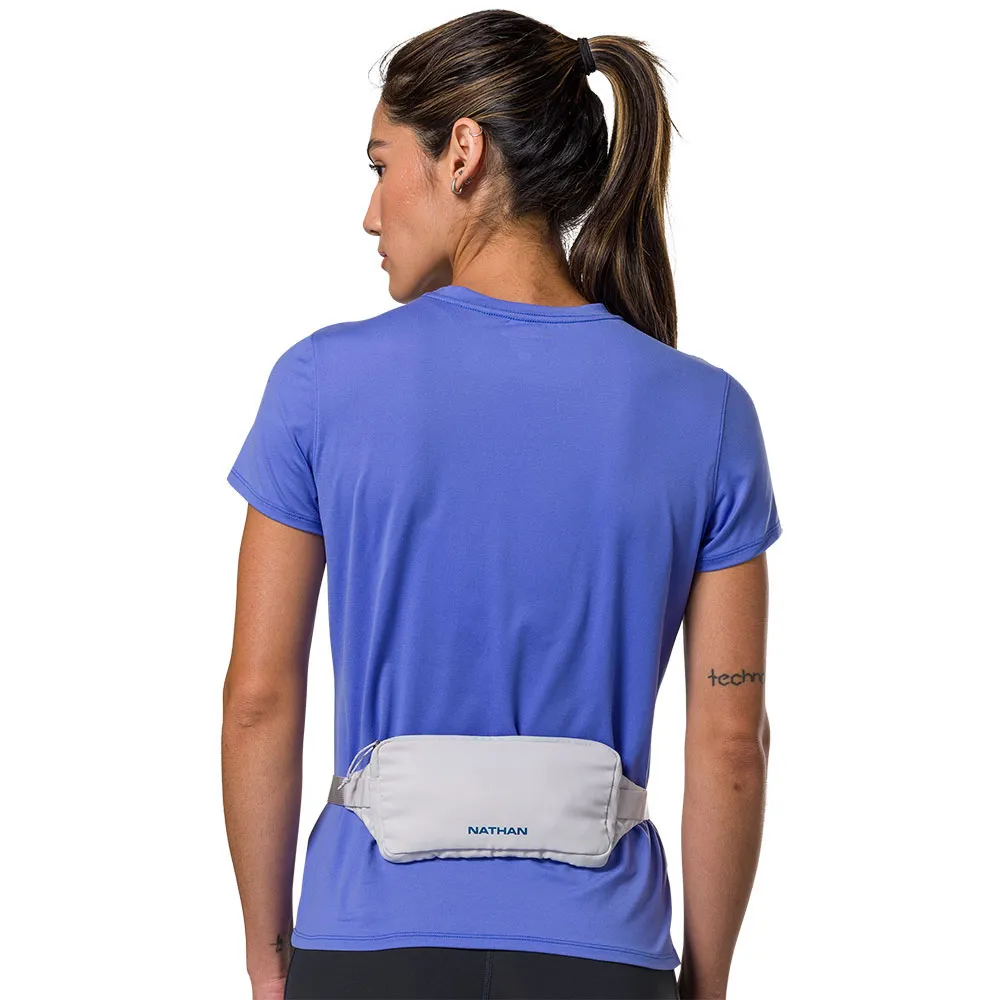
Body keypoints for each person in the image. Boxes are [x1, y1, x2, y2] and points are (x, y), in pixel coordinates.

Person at [222, 11, 781, 1000]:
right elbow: (732, 742)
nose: (370, 214)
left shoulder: (318, 384)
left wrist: (270, 961)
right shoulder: (708, 413)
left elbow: (259, 700)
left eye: (380, 166)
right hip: (600, 953)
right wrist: (705, 985)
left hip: (368, 946)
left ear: (463, 152)